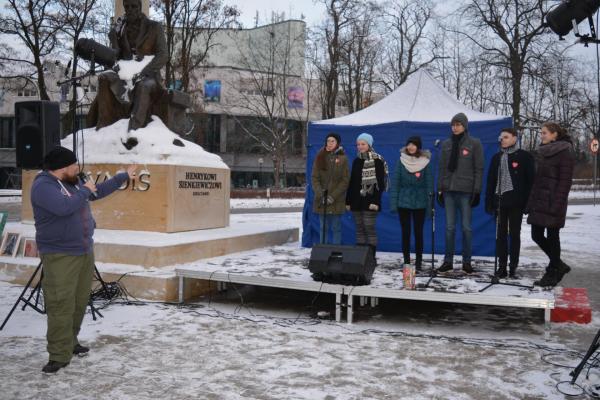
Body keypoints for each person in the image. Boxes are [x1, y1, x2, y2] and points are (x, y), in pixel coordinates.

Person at [31, 146, 137, 373]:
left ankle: (71, 341)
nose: (77, 169)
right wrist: (84, 191)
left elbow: (98, 191)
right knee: (61, 304)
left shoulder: (73, 182)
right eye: (74, 165)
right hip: (60, 255)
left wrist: (123, 176)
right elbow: (63, 207)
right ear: (61, 168)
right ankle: (58, 355)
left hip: (83, 251)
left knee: (79, 302)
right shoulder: (43, 186)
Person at [86, 0, 168, 131]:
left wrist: (145, 71)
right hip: (125, 73)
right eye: (127, 6)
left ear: (140, 7)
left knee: (143, 86)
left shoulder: (154, 27)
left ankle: (134, 130)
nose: (130, 9)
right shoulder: (120, 29)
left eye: (134, 6)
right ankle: (103, 127)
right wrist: (114, 39)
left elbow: (163, 55)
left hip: (149, 74)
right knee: (104, 78)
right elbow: (116, 56)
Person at [526, 122, 575, 287]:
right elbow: (536, 182)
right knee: (536, 235)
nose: (542, 135)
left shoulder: (565, 153)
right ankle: (559, 264)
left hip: (554, 202)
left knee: (553, 237)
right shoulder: (542, 152)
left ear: (555, 134)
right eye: (541, 133)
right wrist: (530, 202)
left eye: (545, 133)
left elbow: (565, 182)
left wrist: (557, 204)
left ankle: (553, 271)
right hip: (539, 201)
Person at [436, 113, 484, 274]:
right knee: (449, 228)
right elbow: (442, 168)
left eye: (458, 124)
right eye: (453, 125)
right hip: (449, 191)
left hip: (466, 191)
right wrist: (440, 189)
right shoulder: (446, 144)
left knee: (466, 228)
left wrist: (476, 191)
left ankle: (467, 262)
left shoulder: (474, 143)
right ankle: (448, 261)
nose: (455, 127)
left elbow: (479, 169)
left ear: (465, 126)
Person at [485, 128, 535, 279]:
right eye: (501, 137)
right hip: (500, 202)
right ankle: (502, 266)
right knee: (500, 235)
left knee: (514, 234)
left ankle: (513, 265)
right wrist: (489, 202)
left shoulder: (525, 157)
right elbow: (491, 181)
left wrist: (528, 203)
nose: (503, 139)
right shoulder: (497, 157)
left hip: (516, 202)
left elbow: (530, 182)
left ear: (514, 138)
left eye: (506, 137)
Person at [389, 136, 433, 270]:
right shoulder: (401, 161)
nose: (411, 147)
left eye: (414, 145)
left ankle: (419, 261)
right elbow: (395, 184)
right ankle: (407, 261)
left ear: (418, 147)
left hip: (420, 203)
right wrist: (394, 203)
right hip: (403, 203)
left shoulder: (425, 162)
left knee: (418, 233)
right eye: (409, 144)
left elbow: (429, 185)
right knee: (405, 232)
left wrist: (430, 206)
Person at [346, 133, 387, 261]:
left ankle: (370, 257)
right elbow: (352, 182)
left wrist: (375, 201)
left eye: (363, 144)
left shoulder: (378, 160)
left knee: (369, 227)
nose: (360, 146)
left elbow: (380, 183)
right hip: (356, 201)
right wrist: (348, 201)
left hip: (370, 201)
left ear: (369, 144)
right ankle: (360, 257)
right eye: (358, 144)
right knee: (359, 227)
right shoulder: (356, 160)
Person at [311, 133, 350, 244]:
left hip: (336, 200)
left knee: (336, 227)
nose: (330, 143)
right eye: (328, 141)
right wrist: (321, 195)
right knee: (323, 227)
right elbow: (314, 178)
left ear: (337, 143)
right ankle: (323, 251)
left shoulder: (343, 159)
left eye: (333, 141)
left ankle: (336, 250)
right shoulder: (320, 156)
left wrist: (332, 196)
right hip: (321, 200)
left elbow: (345, 180)